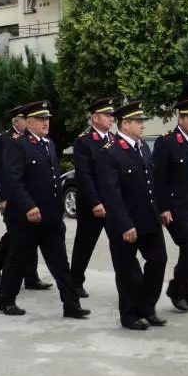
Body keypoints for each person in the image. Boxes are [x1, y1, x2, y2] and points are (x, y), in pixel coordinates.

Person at [0, 100, 90, 319]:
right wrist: (29, 206)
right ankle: (6, 300)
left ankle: (71, 305)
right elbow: (14, 180)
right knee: (18, 260)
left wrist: (59, 210)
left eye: (47, 118)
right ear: (28, 122)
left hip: (49, 216)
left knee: (60, 263)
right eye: (40, 119)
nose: (45, 122)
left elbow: (52, 181)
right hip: (26, 217)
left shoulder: (48, 144)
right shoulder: (17, 145)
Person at [97, 100, 168, 330]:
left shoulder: (142, 147)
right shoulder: (111, 152)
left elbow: (152, 184)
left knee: (158, 261)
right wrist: (125, 224)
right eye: (138, 121)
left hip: (149, 219)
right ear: (125, 124)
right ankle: (129, 315)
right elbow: (112, 194)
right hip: (125, 223)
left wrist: (161, 209)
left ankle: (147, 307)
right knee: (127, 271)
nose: (142, 125)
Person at [152, 96, 188, 312]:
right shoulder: (166, 142)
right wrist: (163, 207)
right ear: (181, 118)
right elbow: (158, 179)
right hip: (175, 208)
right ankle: (177, 288)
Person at [0, 104, 47, 289]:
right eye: (26, 119)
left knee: (32, 237)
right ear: (18, 121)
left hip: (31, 197)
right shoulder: (3, 140)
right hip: (12, 198)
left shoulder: (35, 140)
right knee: (13, 237)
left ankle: (31, 277)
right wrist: (2, 198)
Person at [69, 97, 115, 299]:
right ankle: (75, 281)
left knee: (122, 245)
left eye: (111, 115)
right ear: (95, 118)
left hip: (113, 202)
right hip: (92, 204)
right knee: (85, 244)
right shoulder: (84, 141)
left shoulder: (114, 140)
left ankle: (129, 283)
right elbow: (84, 175)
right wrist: (95, 202)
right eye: (107, 115)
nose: (111, 118)